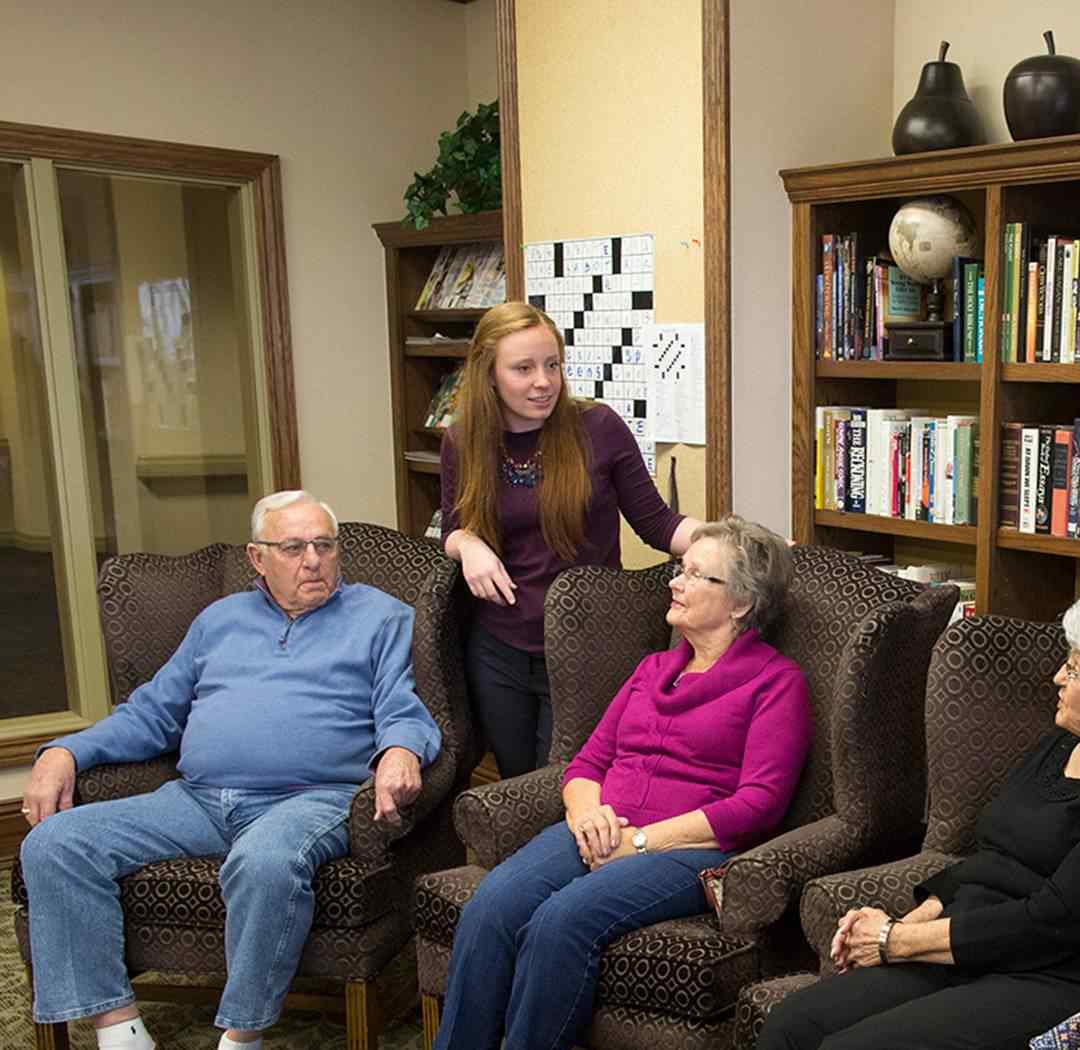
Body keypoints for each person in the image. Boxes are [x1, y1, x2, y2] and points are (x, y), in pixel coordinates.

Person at [19, 491, 442, 1050]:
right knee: (55, 843)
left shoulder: (383, 617)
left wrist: (401, 751)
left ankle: (242, 1035)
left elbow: (403, 709)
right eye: (293, 547)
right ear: (257, 558)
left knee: (264, 859)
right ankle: (119, 1029)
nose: (312, 560)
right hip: (197, 798)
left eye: (324, 545)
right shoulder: (219, 621)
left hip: (311, 799)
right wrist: (64, 752)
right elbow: (150, 715)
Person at [759, 587, 1080, 1050]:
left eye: (1076, 671)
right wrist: (907, 922)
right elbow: (993, 855)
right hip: (978, 949)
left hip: (1064, 976)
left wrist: (896, 941)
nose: (1057, 678)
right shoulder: (1064, 744)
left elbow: (1053, 921)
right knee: (794, 1025)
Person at [434, 515, 810, 1050]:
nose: (675, 582)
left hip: (686, 850)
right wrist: (587, 816)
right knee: (492, 904)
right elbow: (587, 762)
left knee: (559, 923)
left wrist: (638, 843)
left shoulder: (776, 683)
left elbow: (759, 805)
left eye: (696, 575)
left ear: (742, 603)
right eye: (680, 569)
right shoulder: (652, 668)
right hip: (600, 827)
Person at [439, 301, 702, 779]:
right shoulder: (462, 441)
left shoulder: (598, 428)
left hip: (588, 647)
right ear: (489, 374)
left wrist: (733, 541)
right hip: (499, 649)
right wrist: (467, 544)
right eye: (524, 368)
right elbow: (453, 528)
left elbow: (658, 524)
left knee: (566, 786)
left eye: (552, 365)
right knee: (517, 788)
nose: (544, 381)